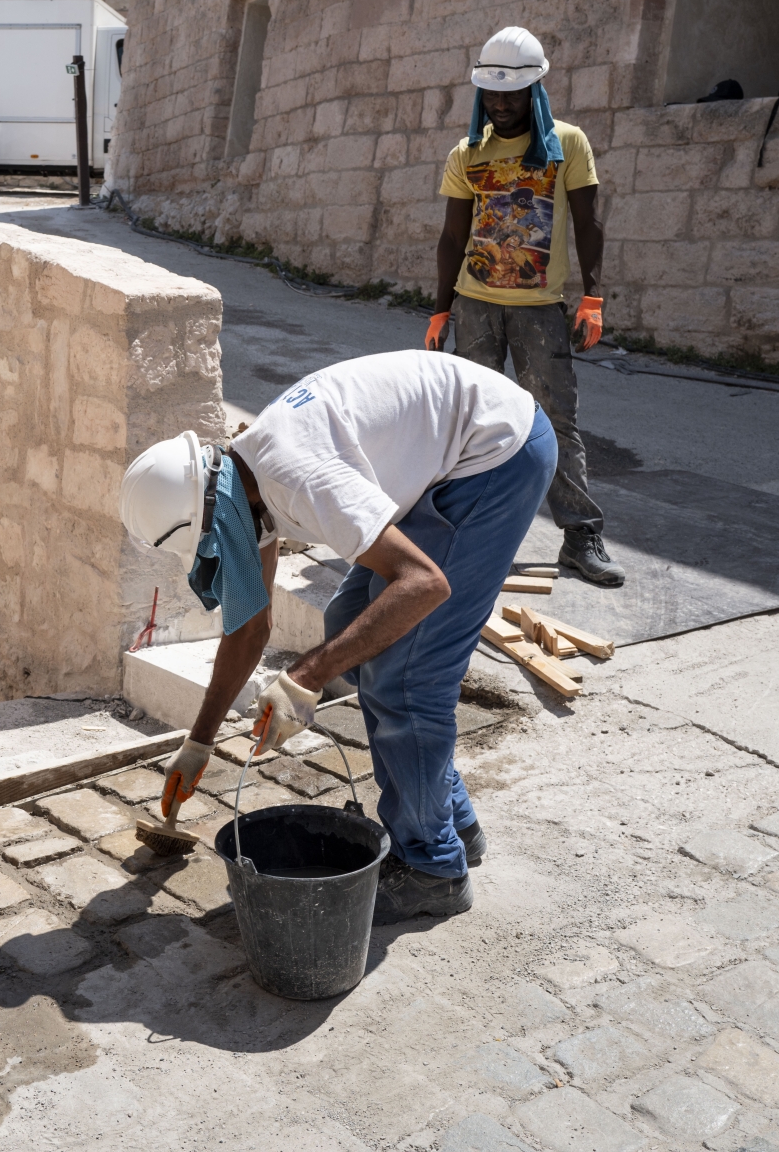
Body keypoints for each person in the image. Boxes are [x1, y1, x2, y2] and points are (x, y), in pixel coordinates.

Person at [119, 350, 556, 922]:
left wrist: (307, 676)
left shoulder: (294, 478)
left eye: (208, 547)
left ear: (214, 514)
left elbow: (424, 584)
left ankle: (432, 870)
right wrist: (199, 743)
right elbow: (251, 629)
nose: (213, 558)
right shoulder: (241, 486)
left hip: (498, 452)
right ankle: (452, 821)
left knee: (405, 672)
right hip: (457, 444)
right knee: (348, 621)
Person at [425, 26, 624, 588]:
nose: (502, 104)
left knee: (556, 419)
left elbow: (588, 224)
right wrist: (441, 310)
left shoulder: (568, 145)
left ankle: (581, 536)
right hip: (475, 306)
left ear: (536, 88)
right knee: (469, 421)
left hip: (540, 307)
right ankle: (457, 532)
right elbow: (451, 237)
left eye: (512, 93)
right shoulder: (468, 153)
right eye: (492, 94)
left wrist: (592, 296)